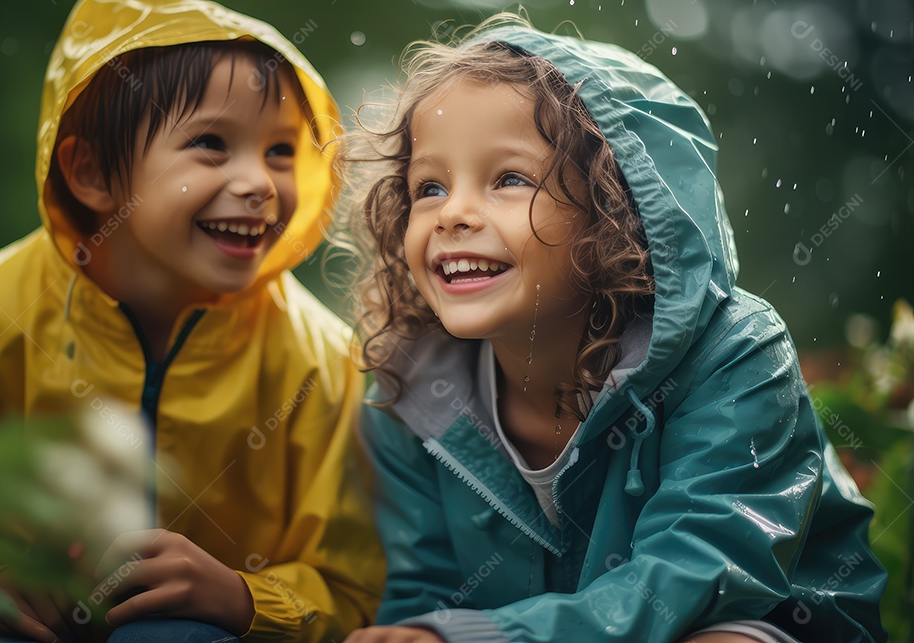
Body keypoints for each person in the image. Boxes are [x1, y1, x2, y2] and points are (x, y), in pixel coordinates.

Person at [339, 14, 886, 643]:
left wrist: (474, 636)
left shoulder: (734, 354)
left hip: (762, 621)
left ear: (615, 212)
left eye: (509, 179)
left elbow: (696, 574)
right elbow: (423, 587)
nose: (454, 213)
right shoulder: (410, 393)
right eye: (429, 187)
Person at [0, 1, 382, 641]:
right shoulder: (0, 305)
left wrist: (241, 596)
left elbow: (351, 584)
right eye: (210, 143)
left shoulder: (318, 355)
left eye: (281, 150)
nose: (259, 182)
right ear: (89, 173)